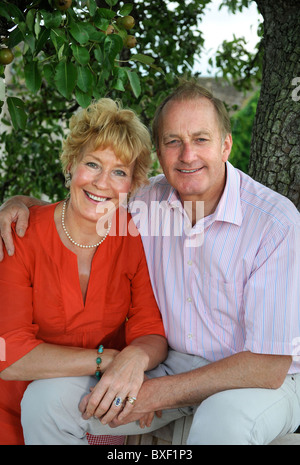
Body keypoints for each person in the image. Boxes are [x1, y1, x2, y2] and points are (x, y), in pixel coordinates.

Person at [1, 80, 300, 445]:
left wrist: (154, 393)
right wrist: (19, 204)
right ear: (159, 152)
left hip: (259, 380)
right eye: (173, 141)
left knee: (223, 421)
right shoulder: (145, 203)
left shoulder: (274, 223)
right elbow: (88, 200)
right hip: (170, 365)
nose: (187, 155)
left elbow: (268, 365)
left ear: (226, 145)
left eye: (201, 139)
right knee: (46, 401)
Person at [0, 98, 167, 445]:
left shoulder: (132, 236)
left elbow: (150, 331)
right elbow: (9, 354)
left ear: (132, 183)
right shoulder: (21, 234)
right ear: (72, 163)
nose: (102, 183)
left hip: (91, 408)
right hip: (12, 412)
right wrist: (108, 361)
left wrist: (135, 361)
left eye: (119, 171)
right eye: (93, 164)